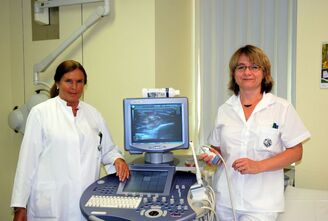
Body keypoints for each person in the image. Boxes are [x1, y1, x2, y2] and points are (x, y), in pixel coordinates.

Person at [200, 45, 310, 221]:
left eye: (254, 67)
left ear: (264, 73)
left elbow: (296, 152)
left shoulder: (281, 108)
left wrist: (258, 166)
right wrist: (212, 156)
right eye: (241, 67)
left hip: (262, 204)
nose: (247, 72)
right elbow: (217, 149)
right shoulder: (225, 110)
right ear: (234, 74)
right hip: (225, 200)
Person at [11, 60, 130, 221]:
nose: (74, 87)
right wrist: (20, 207)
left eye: (79, 82)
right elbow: (27, 162)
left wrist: (118, 159)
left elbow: (108, 150)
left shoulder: (93, 115)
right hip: (52, 204)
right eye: (68, 81)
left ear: (84, 85)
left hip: (85, 202)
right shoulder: (40, 113)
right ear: (58, 83)